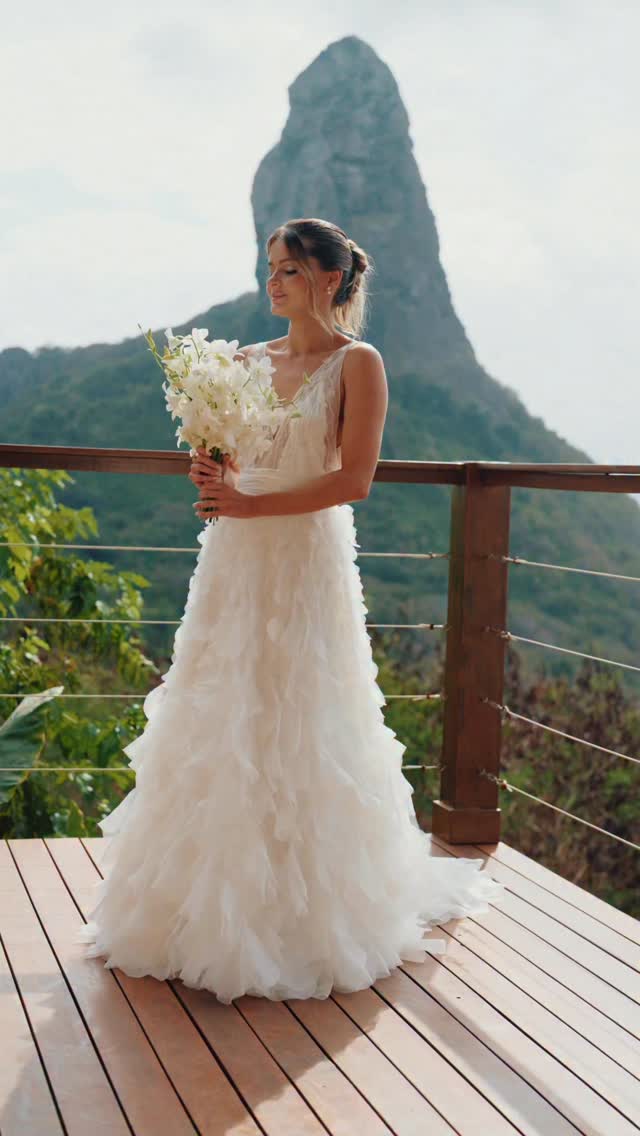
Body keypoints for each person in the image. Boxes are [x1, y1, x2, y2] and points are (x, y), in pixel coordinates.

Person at [76, 217, 504, 1004]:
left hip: (303, 559)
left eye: (290, 269)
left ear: (332, 279)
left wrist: (244, 502)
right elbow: (230, 465)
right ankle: (195, 912)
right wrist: (211, 473)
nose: (273, 281)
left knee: (299, 712)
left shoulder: (358, 365)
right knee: (221, 713)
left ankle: (303, 918)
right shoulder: (239, 360)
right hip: (235, 560)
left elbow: (354, 483)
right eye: (269, 267)